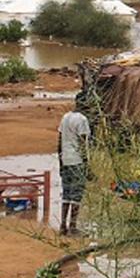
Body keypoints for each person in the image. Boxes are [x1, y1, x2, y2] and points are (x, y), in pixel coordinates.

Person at [58, 94, 91, 236]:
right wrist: (87, 165)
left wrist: (60, 162)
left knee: (66, 194)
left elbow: (59, 141)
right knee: (77, 196)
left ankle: (62, 226)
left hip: (65, 159)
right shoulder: (83, 120)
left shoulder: (65, 117)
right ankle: (73, 227)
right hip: (77, 161)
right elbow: (83, 144)